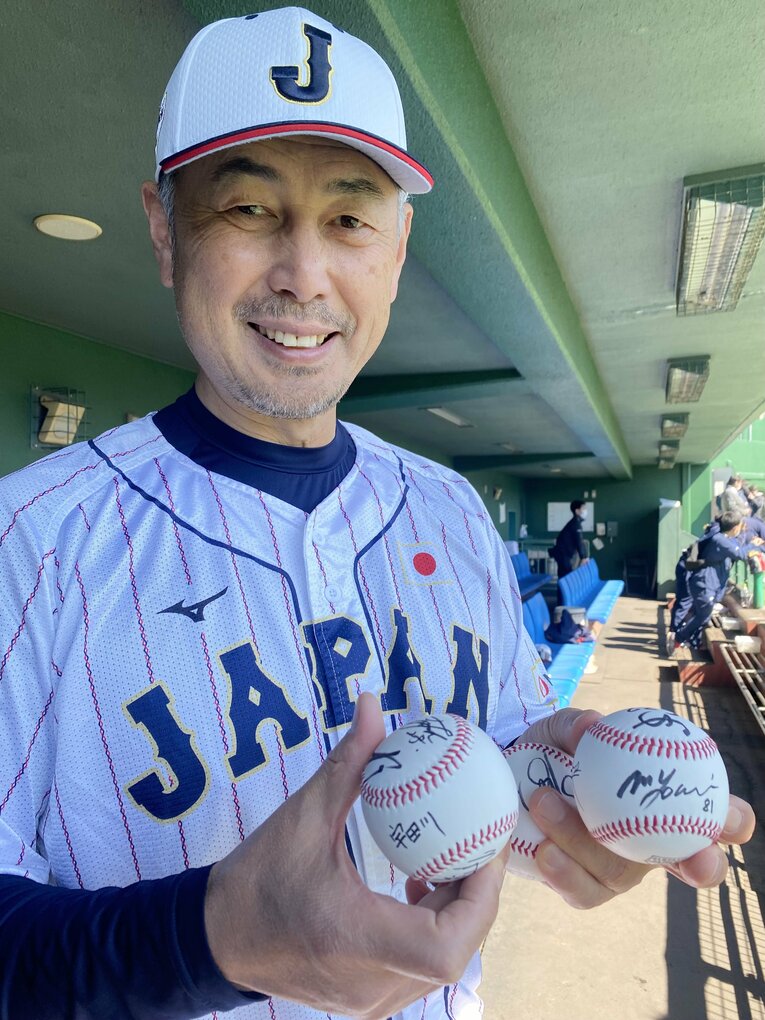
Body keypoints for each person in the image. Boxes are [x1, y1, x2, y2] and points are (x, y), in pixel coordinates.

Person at [0, 8, 754, 1019]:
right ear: (162, 231)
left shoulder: (448, 511)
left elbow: (506, 752)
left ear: (398, 249)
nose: (304, 275)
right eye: (248, 210)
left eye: (350, 219)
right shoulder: (29, 544)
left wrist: (563, 792)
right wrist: (208, 938)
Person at [671, 510, 760, 652]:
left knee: (702, 615)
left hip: (708, 584)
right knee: (703, 616)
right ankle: (678, 638)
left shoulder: (724, 537)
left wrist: (748, 540)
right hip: (704, 584)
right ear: (735, 527)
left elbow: (735, 544)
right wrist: (754, 545)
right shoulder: (720, 539)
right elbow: (740, 553)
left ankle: (692, 642)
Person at [549, 499, 590, 579]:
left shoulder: (576, 522)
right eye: (583, 508)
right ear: (577, 511)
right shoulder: (575, 524)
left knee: (565, 578)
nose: (586, 511)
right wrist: (583, 557)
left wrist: (584, 556)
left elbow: (580, 541)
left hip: (565, 555)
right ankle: (562, 592)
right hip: (563, 555)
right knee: (565, 579)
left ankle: (562, 591)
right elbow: (579, 541)